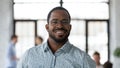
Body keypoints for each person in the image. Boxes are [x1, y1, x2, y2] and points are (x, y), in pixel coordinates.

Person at [17, 6, 95, 68]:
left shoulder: (83, 59)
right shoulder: (29, 55)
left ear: (70, 27)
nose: (60, 25)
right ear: (47, 27)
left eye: (64, 22)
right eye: (54, 22)